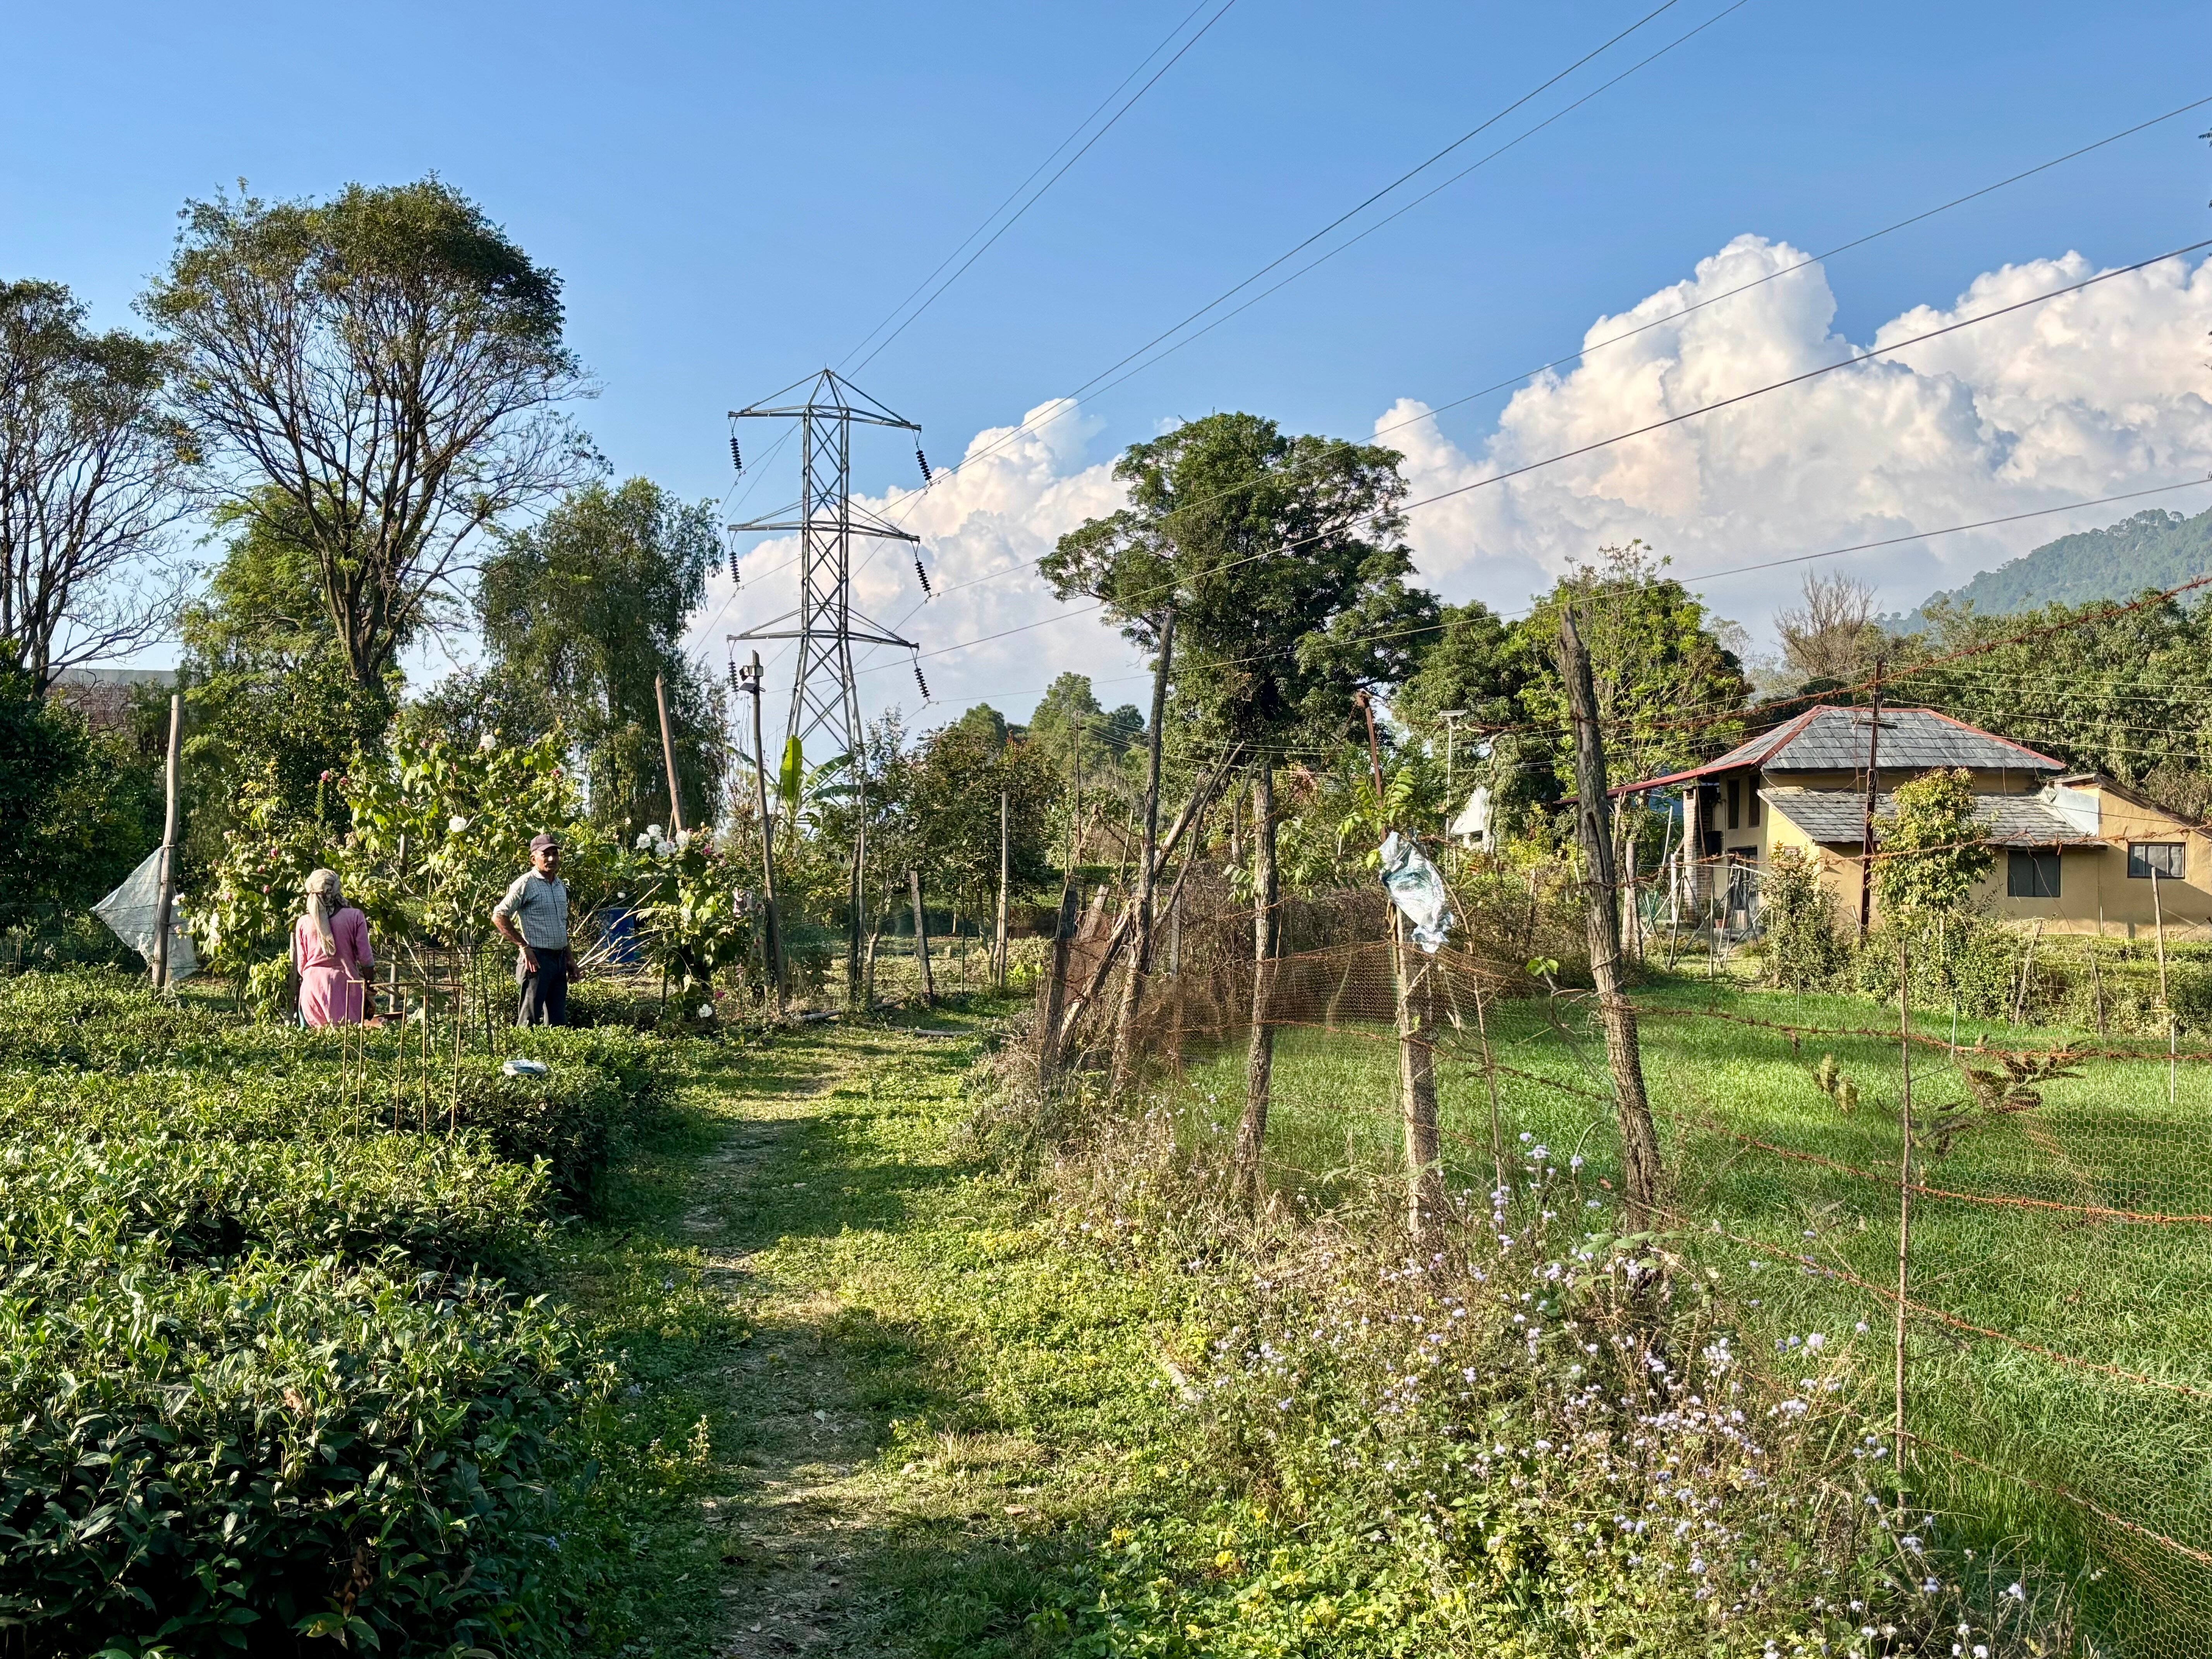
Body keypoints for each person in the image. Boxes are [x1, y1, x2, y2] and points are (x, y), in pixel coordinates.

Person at [493, 831, 573, 1025]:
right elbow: (499, 915)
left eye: (555, 853)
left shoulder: (560, 885)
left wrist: (570, 959)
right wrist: (523, 946)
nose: (552, 858)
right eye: (545, 854)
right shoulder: (525, 884)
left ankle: (551, 1056)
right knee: (529, 1020)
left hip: (559, 959)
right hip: (536, 961)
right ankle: (522, 1055)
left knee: (558, 1021)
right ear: (533, 859)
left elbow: (561, 924)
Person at [294, 867, 374, 1027]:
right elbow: (366, 960)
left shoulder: (303, 923)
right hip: (346, 989)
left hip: (311, 990)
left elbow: (302, 967)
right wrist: (369, 985)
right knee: (346, 1044)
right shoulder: (355, 917)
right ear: (336, 889)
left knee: (315, 1046)